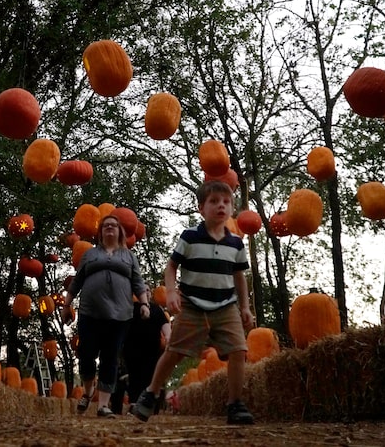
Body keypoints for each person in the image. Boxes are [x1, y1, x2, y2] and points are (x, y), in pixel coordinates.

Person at [130, 180, 255, 425]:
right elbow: (171, 266)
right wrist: (171, 291)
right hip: (193, 305)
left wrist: (245, 306)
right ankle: (151, 393)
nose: (221, 206)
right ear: (201, 208)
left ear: (231, 208)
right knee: (174, 351)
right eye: (214, 201)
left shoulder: (236, 244)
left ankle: (235, 403)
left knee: (239, 350)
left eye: (226, 202)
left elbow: (239, 277)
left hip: (226, 306)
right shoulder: (190, 237)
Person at [61, 214, 150, 418]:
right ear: (100, 232)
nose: (109, 228)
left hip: (120, 315)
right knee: (86, 354)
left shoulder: (128, 256)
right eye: (105, 226)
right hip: (90, 312)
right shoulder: (90, 254)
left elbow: (138, 281)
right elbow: (77, 281)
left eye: (113, 226)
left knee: (110, 357)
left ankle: (102, 405)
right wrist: (67, 304)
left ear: (120, 232)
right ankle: (88, 390)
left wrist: (144, 303)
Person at [110, 286, 171, 415]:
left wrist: (169, 337)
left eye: (148, 290)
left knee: (150, 376)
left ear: (151, 294)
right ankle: (134, 403)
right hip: (132, 349)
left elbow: (165, 325)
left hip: (152, 349)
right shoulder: (129, 309)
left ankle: (149, 404)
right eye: (142, 290)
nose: (145, 292)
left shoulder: (156, 309)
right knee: (134, 376)